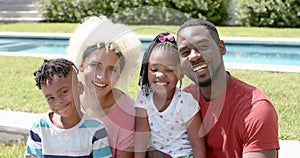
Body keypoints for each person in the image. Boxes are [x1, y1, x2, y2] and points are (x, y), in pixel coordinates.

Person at [176, 19, 280, 157]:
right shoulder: (184, 101)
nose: (194, 56)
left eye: (203, 46)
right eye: (185, 53)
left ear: (221, 47)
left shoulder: (255, 109)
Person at [67, 16, 141, 158]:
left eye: (112, 69)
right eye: (95, 66)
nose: (102, 76)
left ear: (121, 73)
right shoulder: (66, 100)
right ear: (81, 65)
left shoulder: (128, 113)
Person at [134, 32, 206, 158]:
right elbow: (141, 137)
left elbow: (198, 145)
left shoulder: (185, 102)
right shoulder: (143, 98)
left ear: (181, 73)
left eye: (169, 70)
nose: (160, 75)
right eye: (154, 69)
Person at [24, 58, 112, 158]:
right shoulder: (40, 127)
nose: (58, 101)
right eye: (51, 98)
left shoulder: (96, 130)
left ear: (79, 88)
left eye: (64, 92)